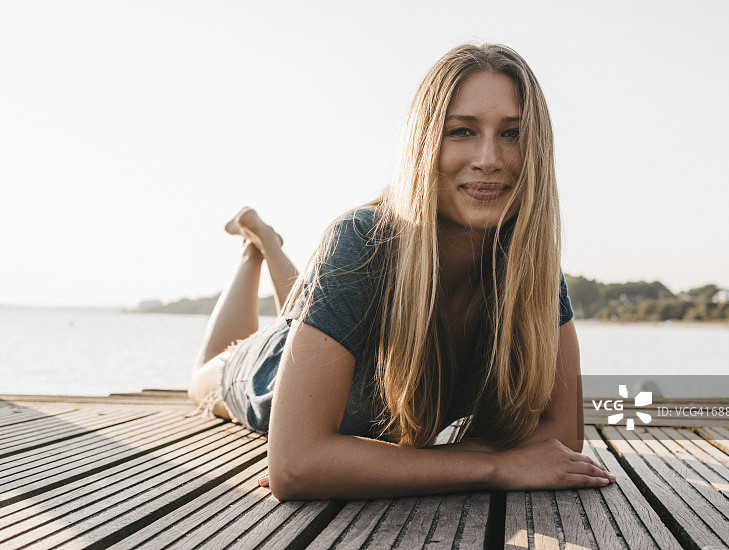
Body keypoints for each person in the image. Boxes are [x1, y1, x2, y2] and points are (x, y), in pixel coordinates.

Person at [188, 43, 616, 501]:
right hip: (269, 368)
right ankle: (257, 248)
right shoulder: (360, 242)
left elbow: (562, 436)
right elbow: (296, 465)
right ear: (425, 142)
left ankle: (270, 249)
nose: (489, 158)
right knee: (201, 380)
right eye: (462, 131)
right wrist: (494, 466)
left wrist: (357, 463)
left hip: (325, 332)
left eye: (511, 134)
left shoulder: (530, 268)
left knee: (310, 311)